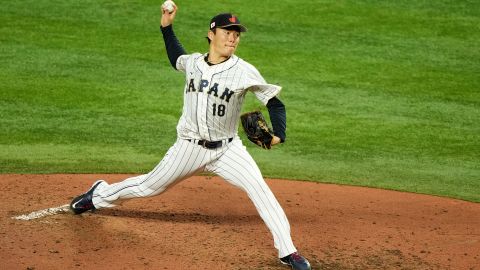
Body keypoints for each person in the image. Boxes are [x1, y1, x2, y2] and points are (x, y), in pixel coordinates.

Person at [70, 2, 311, 270]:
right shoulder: (194, 63)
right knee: (149, 187)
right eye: (227, 31)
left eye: (237, 33)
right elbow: (176, 57)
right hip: (189, 147)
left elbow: (275, 103)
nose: (233, 37)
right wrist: (166, 26)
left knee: (261, 191)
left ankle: (288, 252)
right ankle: (99, 194)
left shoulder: (244, 70)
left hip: (227, 150)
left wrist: (279, 135)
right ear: (211, 34)